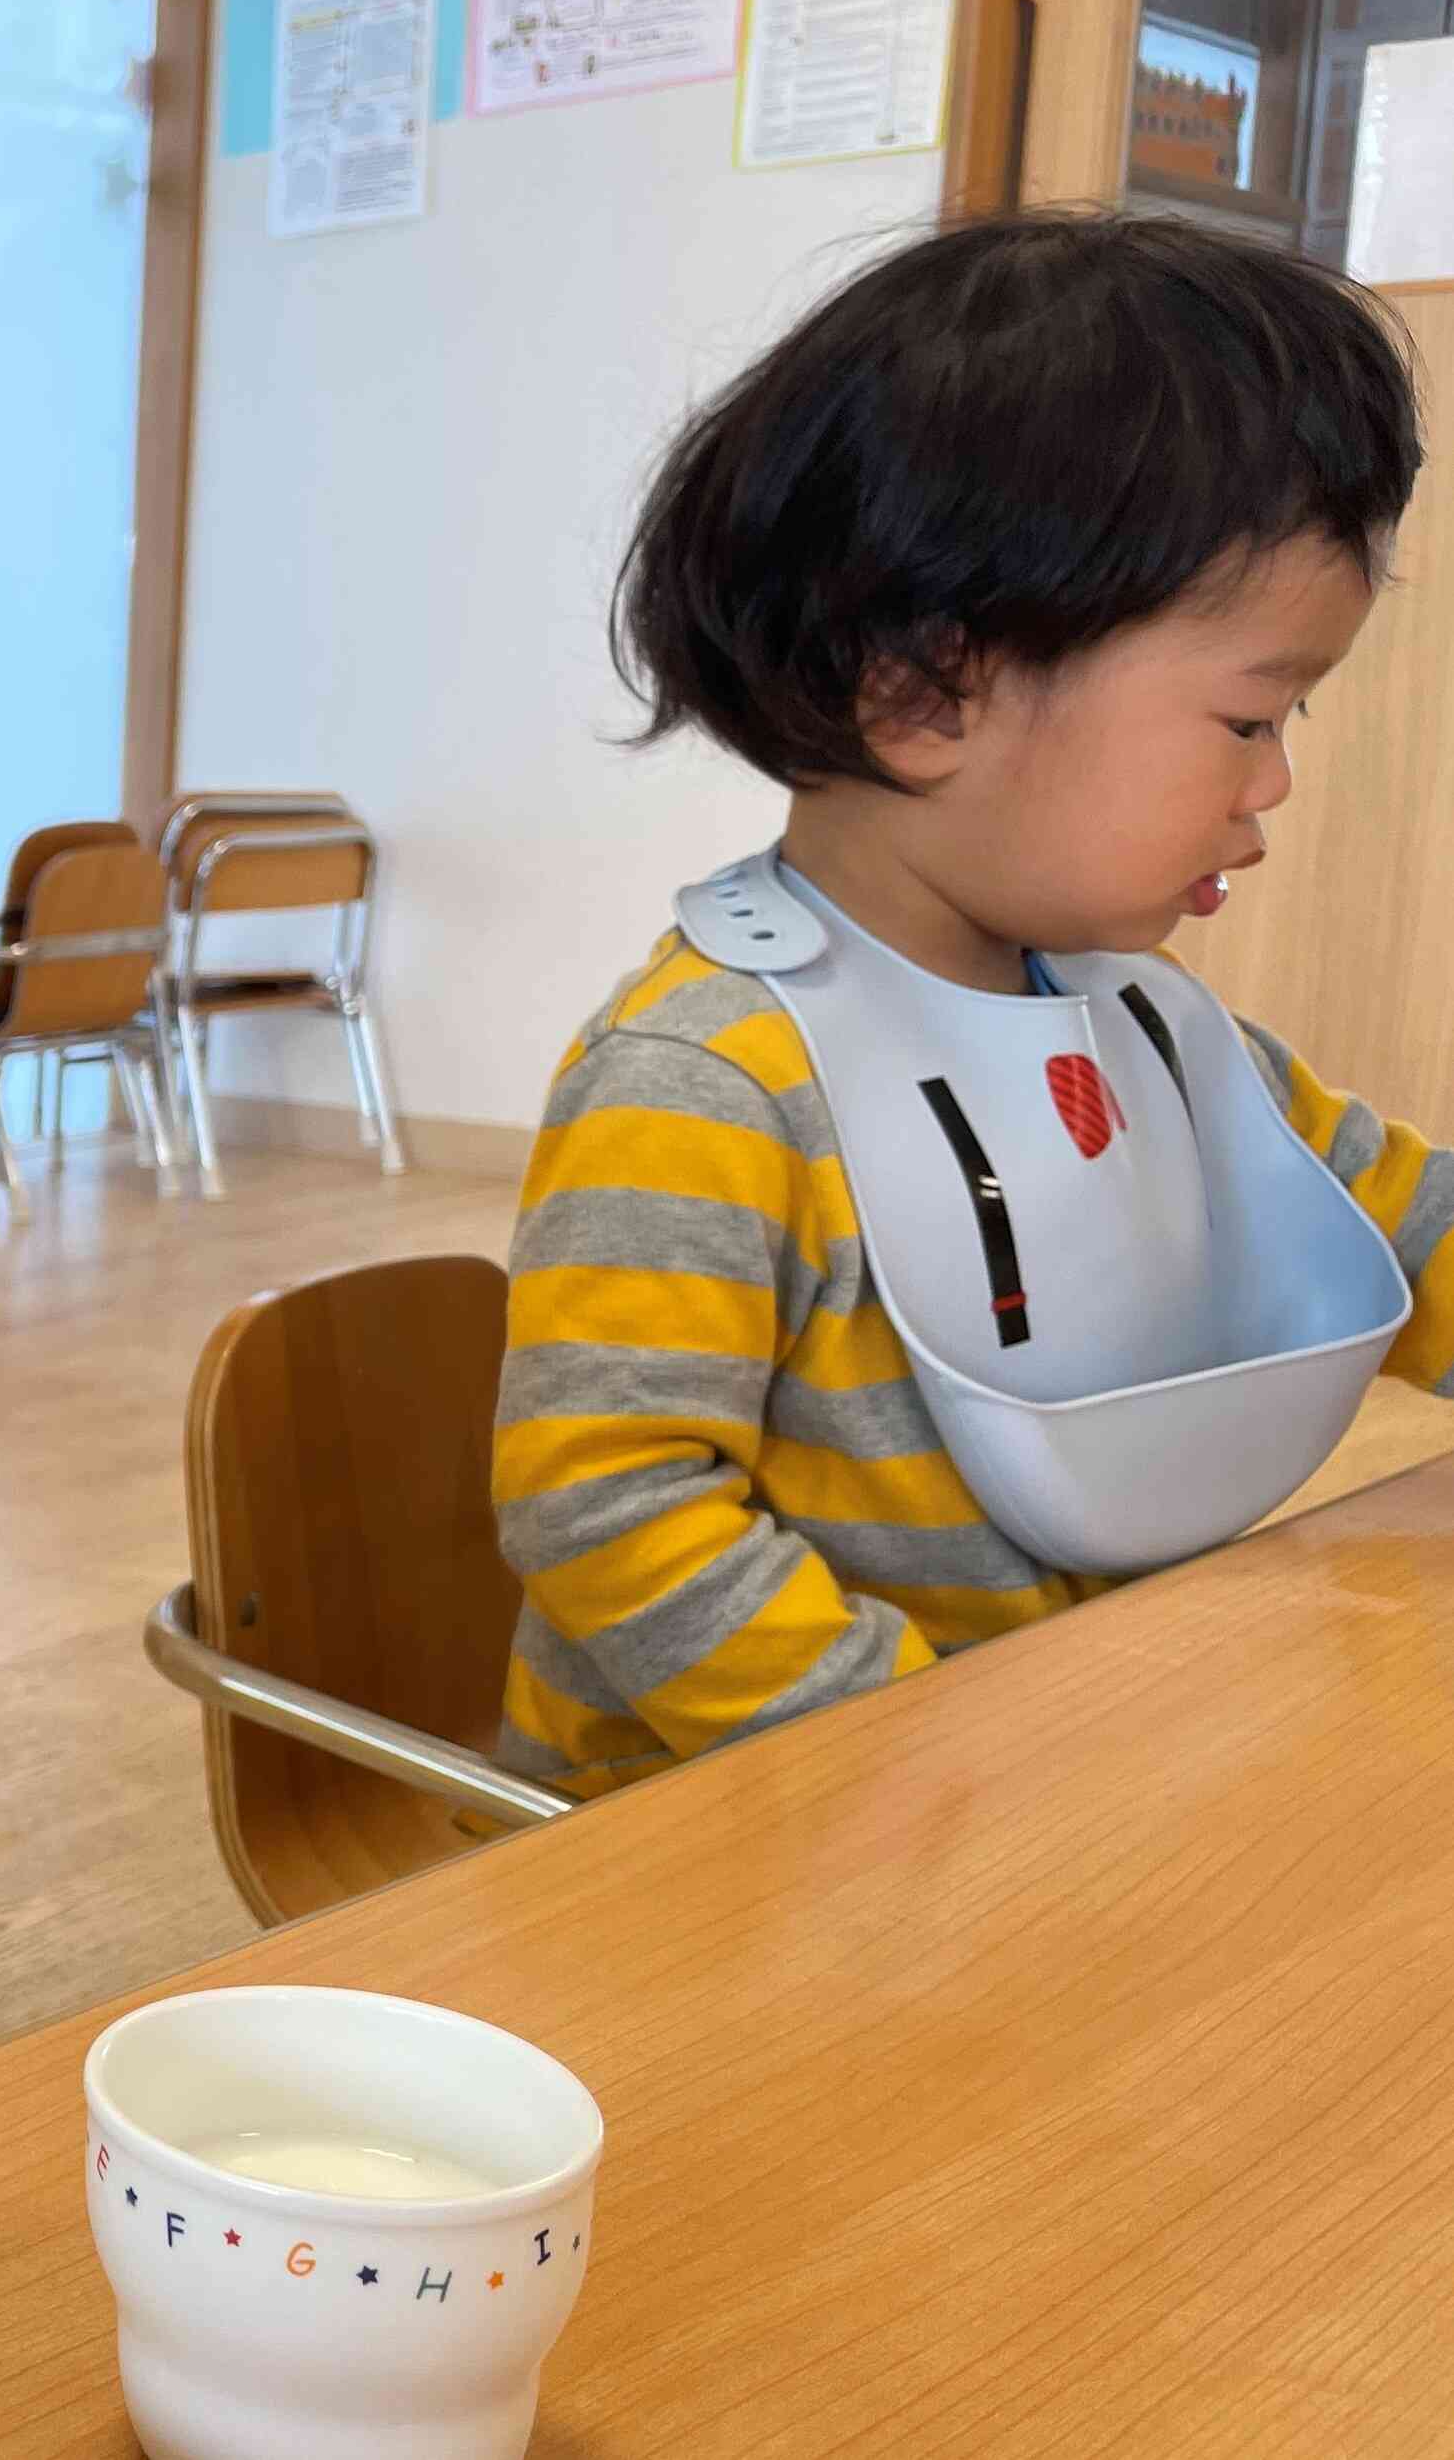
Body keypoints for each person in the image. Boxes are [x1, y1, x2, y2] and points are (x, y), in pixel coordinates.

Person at [498, 211, 1438, 1798]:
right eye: (1245, 716)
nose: (1272, 782)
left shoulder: (1147, 1026)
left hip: (1076, 1777)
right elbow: (610, 1503)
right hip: (744, 1850)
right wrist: (913, 1756)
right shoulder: (708, 1090)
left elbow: (1401, 1222)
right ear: (922, 691)